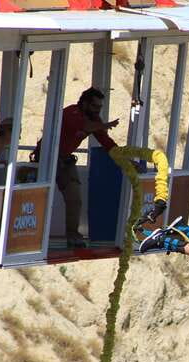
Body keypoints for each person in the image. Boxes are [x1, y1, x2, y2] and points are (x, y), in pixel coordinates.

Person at [35, 87, 120, 248]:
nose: (97, 110)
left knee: (75, 200)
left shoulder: (94, 120)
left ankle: (73, 235)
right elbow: (86, 126)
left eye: (100, 107)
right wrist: (105, 124)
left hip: (65, 162)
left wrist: (124, 158)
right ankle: (32, 237)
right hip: (45, 159)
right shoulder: (71, 113)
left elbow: (106, 142)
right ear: (85, 104)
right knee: (37, 197)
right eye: (95, 106)